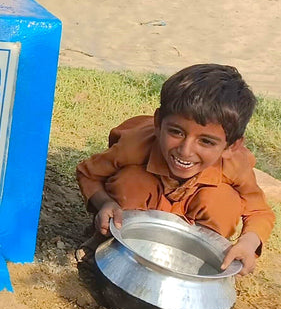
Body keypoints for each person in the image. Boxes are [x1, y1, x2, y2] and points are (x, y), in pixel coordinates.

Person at [76, 64, 275, 274]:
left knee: (224, 201)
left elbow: (260, 212)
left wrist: (247, 243)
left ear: (231, 146)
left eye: (206, 142)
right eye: (177, 132)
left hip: (192, 230)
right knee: (132, 182)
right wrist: (105, 203)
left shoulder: (235, 164)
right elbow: (88, 173)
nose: (185, 150)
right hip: (134, 216)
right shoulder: (135, 146)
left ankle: (195, 262)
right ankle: (105, 242)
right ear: (158, 122)